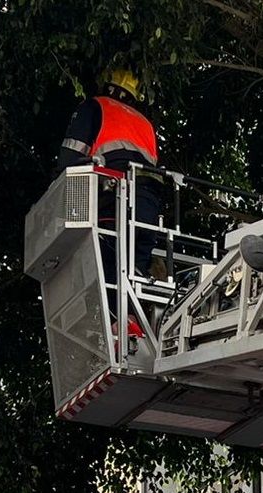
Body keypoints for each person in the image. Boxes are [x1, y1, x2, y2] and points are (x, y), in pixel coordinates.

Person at [59, 66, 167, 328]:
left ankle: (116, 326)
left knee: (107, 266)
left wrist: (65, 214)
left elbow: (70, 160)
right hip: (149, 207)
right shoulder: (145, 124)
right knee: (133, 272)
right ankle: (128, 322)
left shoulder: (94, 107)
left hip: (117, 198)